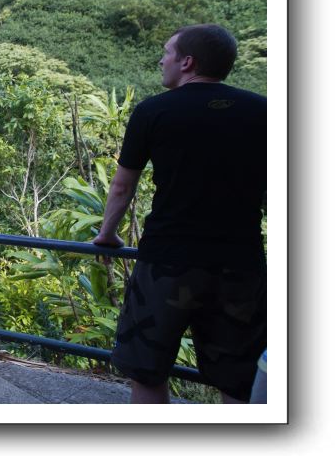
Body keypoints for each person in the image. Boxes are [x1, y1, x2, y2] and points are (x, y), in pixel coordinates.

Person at [92, 24, 266, 403]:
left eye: (166, 53)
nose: (161, 60)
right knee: (238, 378)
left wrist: (107, 233)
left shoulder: (153, 111)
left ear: (187, 62)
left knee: (147, 370)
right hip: (241, 264)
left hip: (167, 262)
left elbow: (123, 186)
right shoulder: (264, 111)